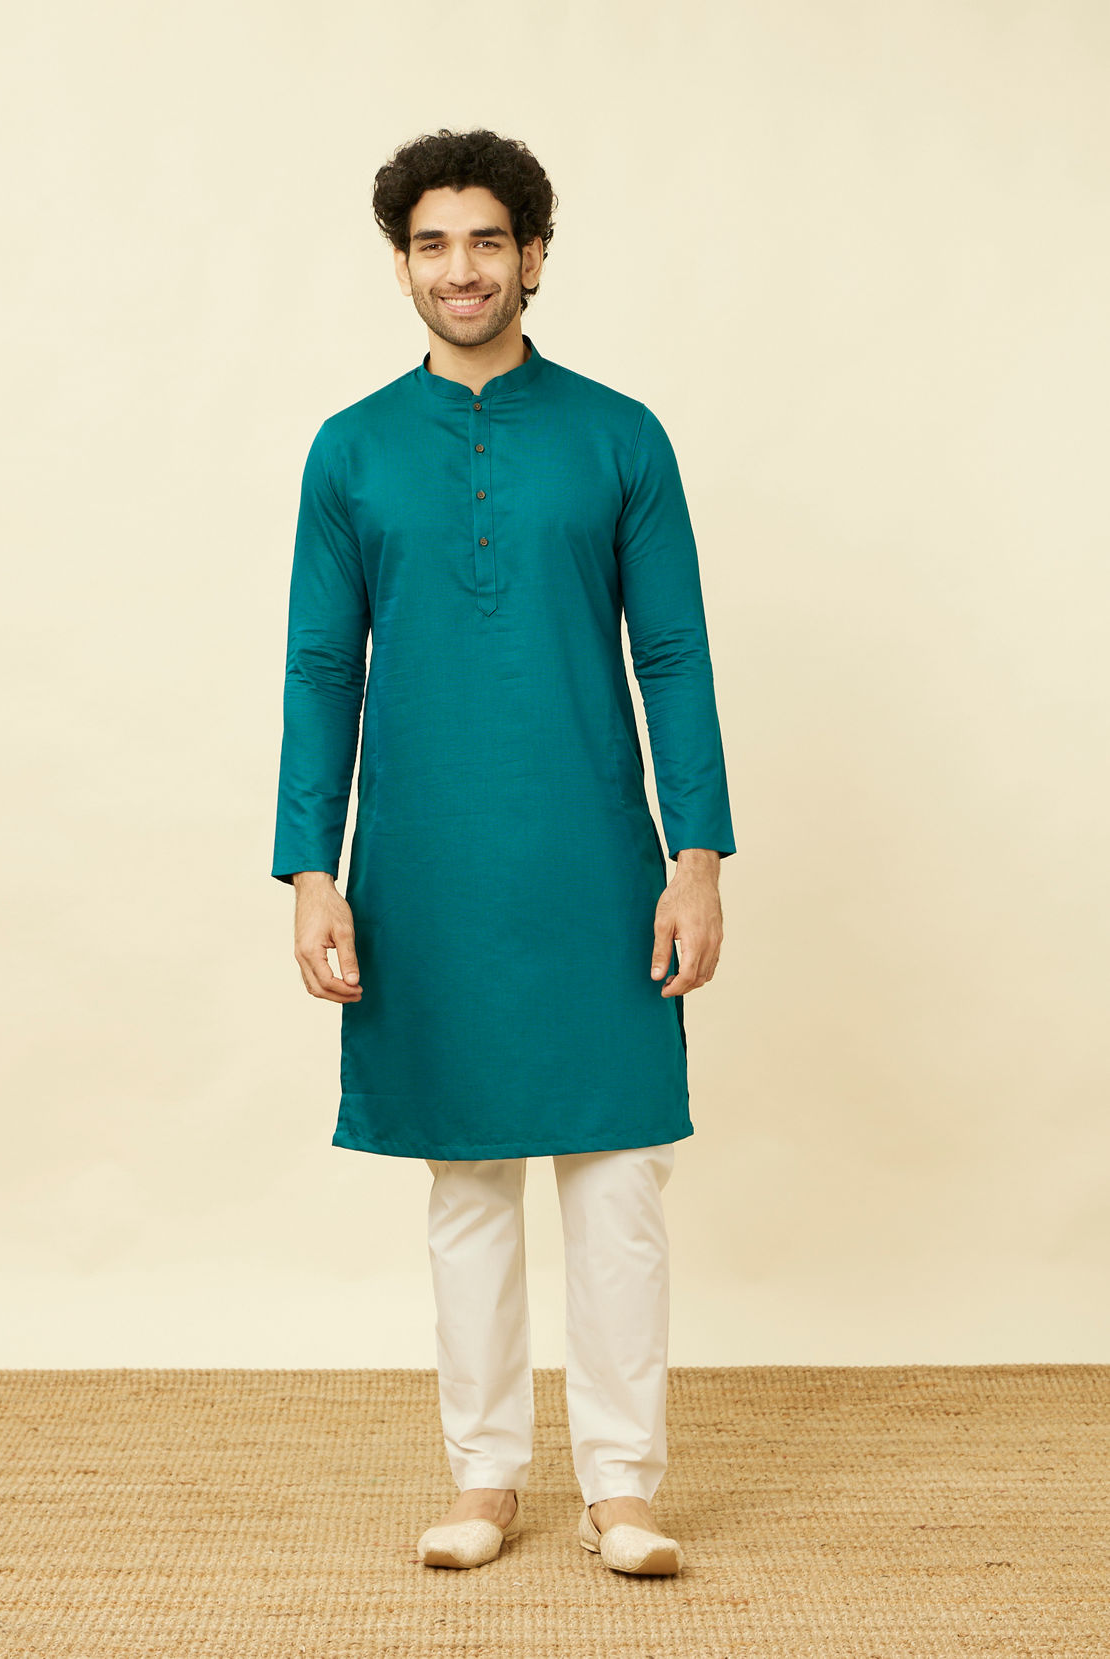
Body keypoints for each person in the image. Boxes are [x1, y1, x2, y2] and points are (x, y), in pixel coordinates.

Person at [270, 128, 736, 1576]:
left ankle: (623, 1488)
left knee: (617, 1180)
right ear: (402, 263)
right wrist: (312, 869)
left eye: (486, 241)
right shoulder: (351, 449)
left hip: (595, 857)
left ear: (533, 256)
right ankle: (484, 1478)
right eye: (432, 244)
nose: (459, 268)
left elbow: (673, 653)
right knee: (465, 1181)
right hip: (423, 865)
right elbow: (321, 668)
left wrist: (698, 855)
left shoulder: (620, 436)